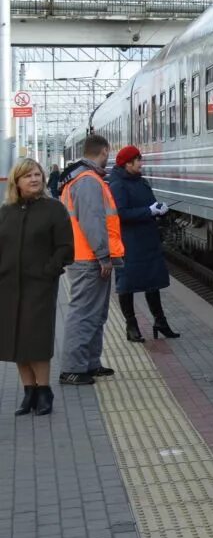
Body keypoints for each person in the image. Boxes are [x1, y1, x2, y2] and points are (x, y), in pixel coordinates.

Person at [0, 158, 74, 416]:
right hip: (8, 286)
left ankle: (44, 391)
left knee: (36, 338)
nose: (34, 179)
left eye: (37, 174)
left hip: (40, 285)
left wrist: (50, 271)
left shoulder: (54, 209)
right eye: (28, 175)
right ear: (16, 182)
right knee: (16, 339)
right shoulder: (5, 211)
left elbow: (65, 247)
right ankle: (28, 392)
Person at [59, 133, 123, 386]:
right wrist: (103, 256)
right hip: (89, 259)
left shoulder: (87, 178)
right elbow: (92, 222)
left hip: (89, 258)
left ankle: (90, 363)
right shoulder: (87, 182)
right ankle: (72, 369)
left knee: (96, 313)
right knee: (84, 313)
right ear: (104, 151)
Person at [107, 146, 177, 342]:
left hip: (148, 239)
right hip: (129, 243)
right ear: (128, 163)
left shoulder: (142, 182)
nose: (141, 163)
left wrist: (159, 209)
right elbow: (120, 213)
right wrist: (149, 211)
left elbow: (149, 204)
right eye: (138, 160)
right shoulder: (118, 185)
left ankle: (160, 322)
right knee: (126, 285)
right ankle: (131, 326)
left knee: (152, 282)